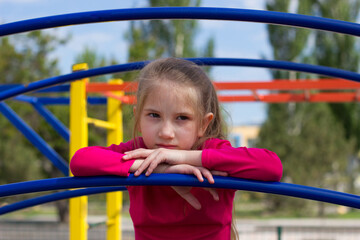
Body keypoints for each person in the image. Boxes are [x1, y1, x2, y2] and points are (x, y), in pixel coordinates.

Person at [70, 58, 283, 240]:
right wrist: (157, 167)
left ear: (203, 124)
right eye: (154, 115)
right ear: (138, 115)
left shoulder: (211, 151)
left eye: (182, 118)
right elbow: (80, 161)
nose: (166, 132)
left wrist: (184, 157)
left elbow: (271, 166)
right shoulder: (139, 151)